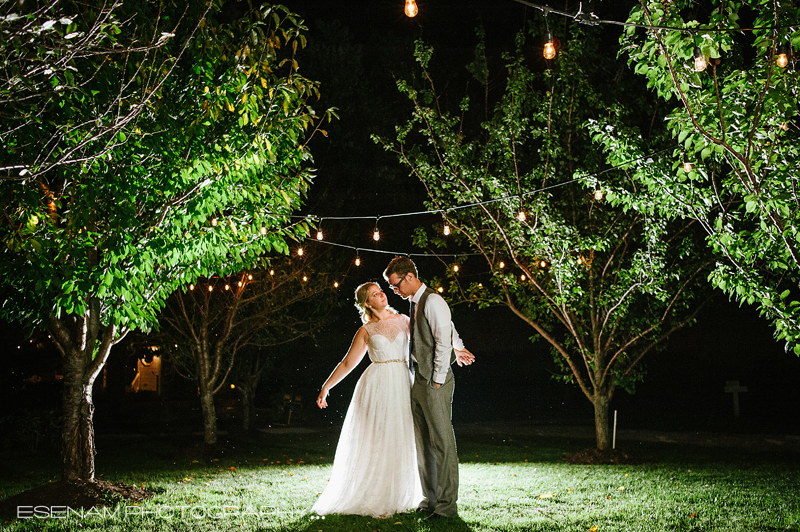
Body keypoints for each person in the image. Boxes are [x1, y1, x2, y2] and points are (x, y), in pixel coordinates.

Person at [312, 282, 472, 518]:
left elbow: (437, 330)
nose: (383, 295)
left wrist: (457, 349)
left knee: (406, 436)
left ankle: (408, 493)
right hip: (376, 385)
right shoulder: (365, 331)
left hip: (403, 381)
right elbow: (348, 363)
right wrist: (326, 387)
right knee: (378, 437)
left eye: (382, 291)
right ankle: (377, 492)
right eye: (376, 294)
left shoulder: (403, 320)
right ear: (367, 302)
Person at [384, 256, 466, 520]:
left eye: (395, 285)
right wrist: (460, 345)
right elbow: (450, 330)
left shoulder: (433, 300)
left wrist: (438, 378)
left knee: (442, 443)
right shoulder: (415, 303)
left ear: (409, 276)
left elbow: (443, 338)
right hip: (418, 379)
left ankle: (446, 507)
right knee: (423, 443)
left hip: (434, 380)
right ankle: (429, 499)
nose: (393, 290)